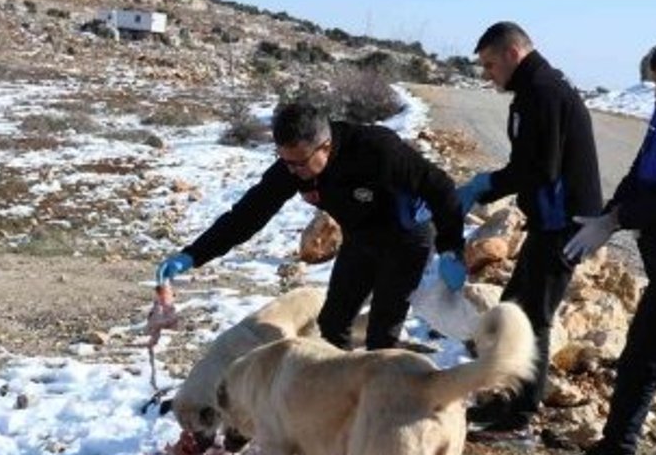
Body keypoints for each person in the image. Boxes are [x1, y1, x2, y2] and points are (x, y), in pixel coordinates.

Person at [156, 100, 466, 351]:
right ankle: (339, 399)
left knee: (382, 336)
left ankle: (381, 411)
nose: (294, 171)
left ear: (326, 146)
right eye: (286, 162)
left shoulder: (377, 150)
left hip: (406, 241)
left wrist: (452, 249)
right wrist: (192, 255)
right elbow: (248, 214)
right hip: (360, 239)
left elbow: (441, 188)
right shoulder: (293, 167)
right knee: (332, 325)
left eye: (301, 163)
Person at [557, 32, 656, 455]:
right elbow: (643, 171)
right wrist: (611, 212)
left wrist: (623, 218)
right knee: (639, 359)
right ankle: (615, 451)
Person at [455, 22, 603, 436]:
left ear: (511, 54)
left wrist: (486, 185)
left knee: (530, 315)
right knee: (516, 308)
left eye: (489, 64)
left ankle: (521, 409)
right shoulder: (534, 90)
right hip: (550, 222)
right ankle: (511, 399)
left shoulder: (544, 94)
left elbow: (538, 168)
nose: (488, 75)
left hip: (564, 226)